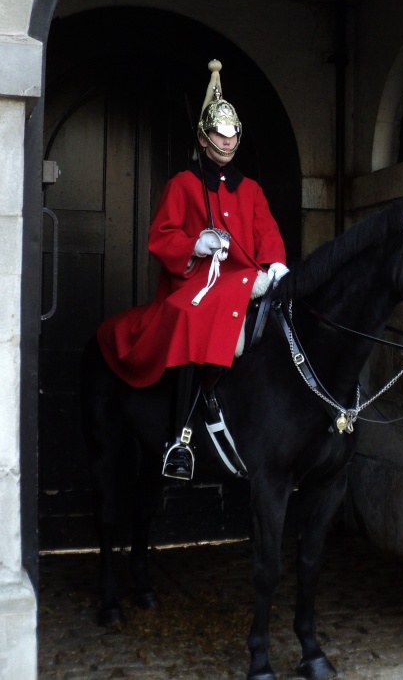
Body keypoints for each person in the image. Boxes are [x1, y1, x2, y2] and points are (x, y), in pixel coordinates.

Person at [96, 60, 288, 479]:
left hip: (247, 282)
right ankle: (180, 439)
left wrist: (275, 264)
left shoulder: (251, 189)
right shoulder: (183, 184)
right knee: (187, 315)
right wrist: (194, 244)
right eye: (219, 132)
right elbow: (160, 237)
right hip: (197, 284)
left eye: (232, 132)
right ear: (204, 139)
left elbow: (267, 231)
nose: (227, 138)